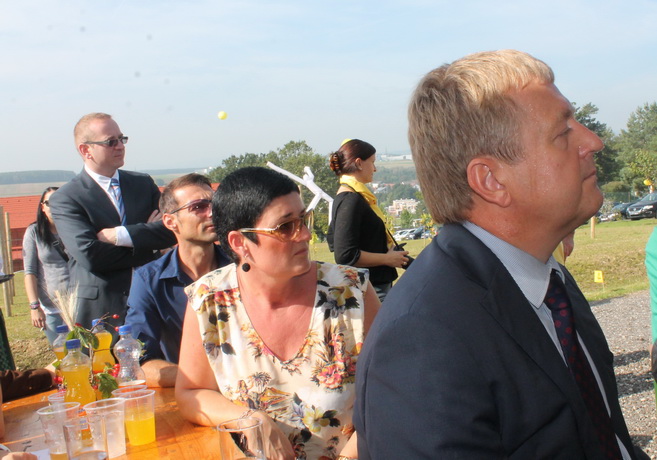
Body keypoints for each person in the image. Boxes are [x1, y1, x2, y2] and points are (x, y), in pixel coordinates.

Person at [354, 50, 648, 459]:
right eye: (563, 132)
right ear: (491, 180)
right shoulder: (422, 339)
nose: (593, 142)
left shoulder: (548, 282)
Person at [176, 167, 380, 460]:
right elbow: (191, 392)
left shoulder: (351, 291)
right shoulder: (209, 301)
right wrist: (249, 419)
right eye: (285, 227)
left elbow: (389, 393)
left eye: (303, 220)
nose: (305, 235)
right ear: (239, 243)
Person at [49, 113, 176, 329]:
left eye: (121, 139)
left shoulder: (142, 184)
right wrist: (147, 241)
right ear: (86, 150)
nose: (120, 146)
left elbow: (170, 230)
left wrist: (118, 235)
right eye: (110, 142)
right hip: (103, 310)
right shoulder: (67, 198)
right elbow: (90, 255)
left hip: (154, 300)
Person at [125, 173, 230, 388]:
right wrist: (210, 379)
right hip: (193, 394)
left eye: (215, 203)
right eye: (198, 207)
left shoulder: (243, 266)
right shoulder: (149, 281)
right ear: (170, 221)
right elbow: (140, 362)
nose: (212, 212)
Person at [327, 139, 409, 301]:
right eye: (372, 162)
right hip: (371, 290)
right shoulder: (350, 200)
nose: (375, 168)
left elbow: (333, 239)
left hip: (374, 286)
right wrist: (387, 259)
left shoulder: (353, 197)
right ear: (359, 163)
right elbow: (345, 255)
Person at [21, 187, 69, 344]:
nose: (54, 206)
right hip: (52, 308)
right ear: (42, 207)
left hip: (80, 304)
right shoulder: (34, 232)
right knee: (62, 354)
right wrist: (34, 307)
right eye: (49, 203)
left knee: (86, 354)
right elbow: (30, 272)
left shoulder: (75, 229)